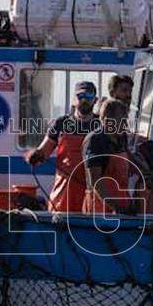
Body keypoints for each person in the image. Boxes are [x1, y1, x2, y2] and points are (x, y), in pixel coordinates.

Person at [26, 81, 99, 212]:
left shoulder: (101, 125)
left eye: (88, 97)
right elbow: (44, 151)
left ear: (95, 100)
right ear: (74, 99)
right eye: (80, 96)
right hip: (63, 193)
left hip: (92, 190)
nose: (84, 100)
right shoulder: (61, 123)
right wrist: (35, 155)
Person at [82, 100, 138, 215]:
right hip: (99, 209)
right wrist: (114, 207)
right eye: (122, 121)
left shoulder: (121, 138)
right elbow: (95, 181)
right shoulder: (95, 140)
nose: (125, 125)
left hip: (122, 204)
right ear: (107, 121)